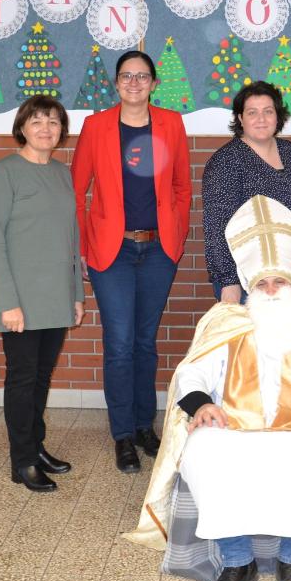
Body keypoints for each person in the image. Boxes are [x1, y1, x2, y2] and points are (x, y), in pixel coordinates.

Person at [125, 196, 291, 581]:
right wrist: (203, 404)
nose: (271, 289)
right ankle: (237, 562)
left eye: (279, 281)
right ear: (250, 288)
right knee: (201, 451)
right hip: (234, 427)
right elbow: (191, 373)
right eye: (262, 283)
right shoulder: (227, 326)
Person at [71, 50, 192, 474]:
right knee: (120, 344)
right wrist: (83, 247)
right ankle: (122, 434)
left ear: (154, 84)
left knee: (145, 342)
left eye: (142, 76)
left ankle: (144, 426)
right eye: (127, 76)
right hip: (112, 252)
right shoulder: (96, 126)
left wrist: (175, 236)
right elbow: (77, 190)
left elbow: (181, 186)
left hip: (158, 250)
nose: (134, 83)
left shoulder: (171, 124)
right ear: (117, 83)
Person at [0, 95, 85, 492]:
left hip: (56, 296)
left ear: (62, 131)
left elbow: (71, 239)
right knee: (22, 380)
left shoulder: (62, 174)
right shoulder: (4, 173)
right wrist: (8, 303)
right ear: (22, 128)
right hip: (20, 300)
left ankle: (36, 447)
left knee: (41, 378)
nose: (46, 129)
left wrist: (76, 294)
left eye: (54, 122)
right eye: (37, 121)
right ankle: (22, 461)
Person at [202, 81, 291, 304]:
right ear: (240, 118)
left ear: (278, 116)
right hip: (249, 282)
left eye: (268, 111)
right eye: (252, 112)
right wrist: (229, 281)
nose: (261, 119)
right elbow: (216, 226)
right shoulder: (226, 161)